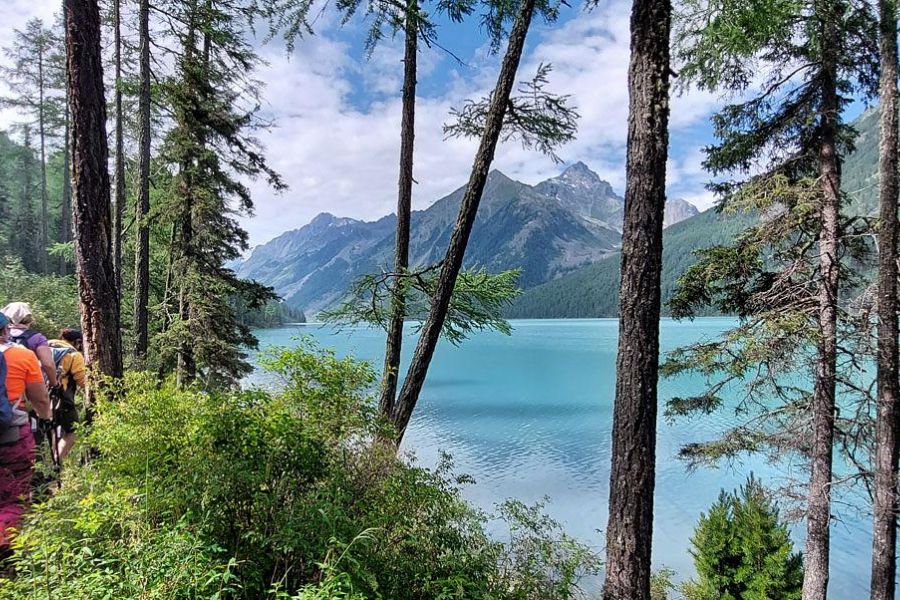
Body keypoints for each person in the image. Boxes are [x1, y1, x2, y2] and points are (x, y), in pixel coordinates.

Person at [0, 312, 51, 554]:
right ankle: (7, 554)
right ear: (6, 331)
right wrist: (46, 421)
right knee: (13, 496)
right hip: (12, 436)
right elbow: (40, 399)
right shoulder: (22, 355)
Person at [1, 303, 58, 389]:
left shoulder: (3, 335)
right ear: (28, 318)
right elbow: (48, 364)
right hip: (26, 384)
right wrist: (54, 383)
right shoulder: (37, 338)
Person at [48, 329, 85, 459]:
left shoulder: (44, 346)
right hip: (61, 398)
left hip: (37, 395)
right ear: (78, 342)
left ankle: (44, 465)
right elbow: (82, 381)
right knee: (73, 431)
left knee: (49, 432)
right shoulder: (74, 355)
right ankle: (56, 463)